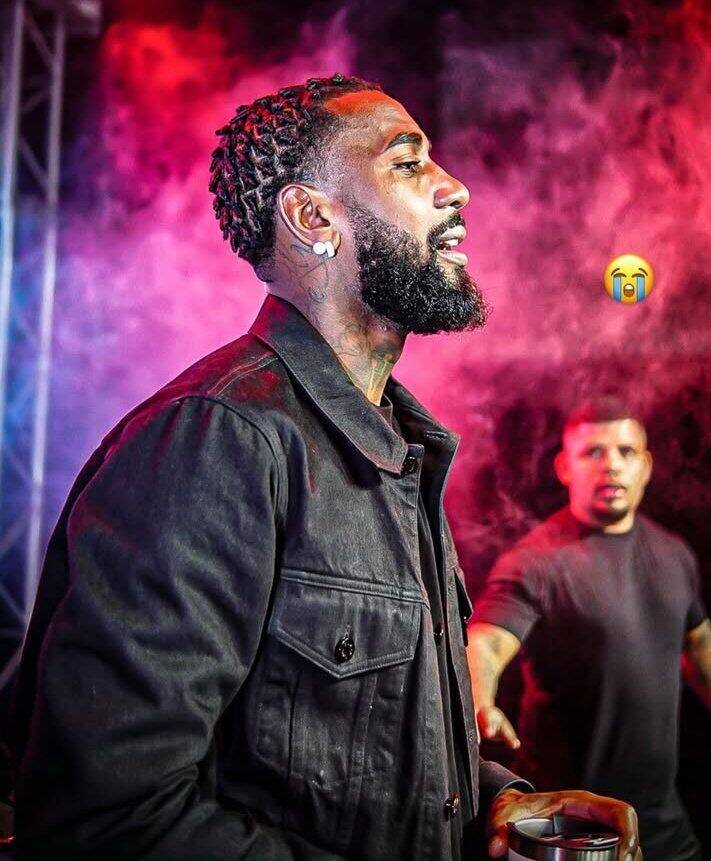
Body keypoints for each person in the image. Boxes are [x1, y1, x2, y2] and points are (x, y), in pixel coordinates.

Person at [11, 75, 641, 861]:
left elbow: (360, 754)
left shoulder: (392, 443)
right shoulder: (217, 439)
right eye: (406, 163)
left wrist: (496, 801)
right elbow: (106, 818)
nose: (455, 187)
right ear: (312, 218)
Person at [468, 397, 711, 861]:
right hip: (572, 830)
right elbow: (487, 642)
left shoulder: (674, 554)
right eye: (593, 452)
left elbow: (700, 651)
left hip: (666, 828)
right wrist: (480, 701)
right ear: (565, 468)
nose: (611, 465)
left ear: (646, 466)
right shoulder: (534, 562)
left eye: (626, 451)